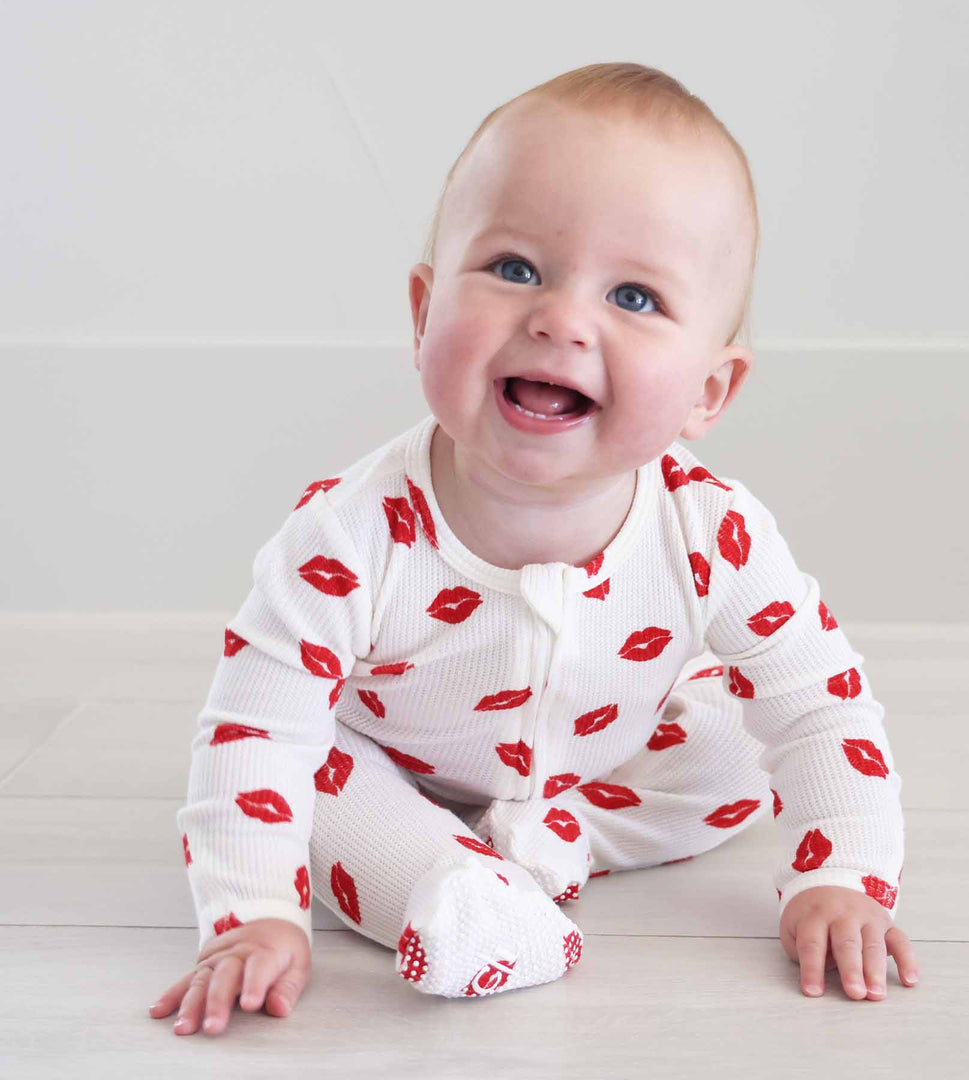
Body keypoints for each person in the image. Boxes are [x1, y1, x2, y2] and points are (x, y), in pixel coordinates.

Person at [150, 62, 919, 1036]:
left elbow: (820, 705)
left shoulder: (711, 531)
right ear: (425, 311)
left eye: (635, 297)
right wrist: (252, 915)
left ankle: (557, 835)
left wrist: (844, 876)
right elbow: (257, 731)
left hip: (608, 759)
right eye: (515, 269)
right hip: (392, 768)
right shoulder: (347, 534)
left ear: (708, 394)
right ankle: (461, 891)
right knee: (311, 783)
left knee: (736, 739)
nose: (560, 319)